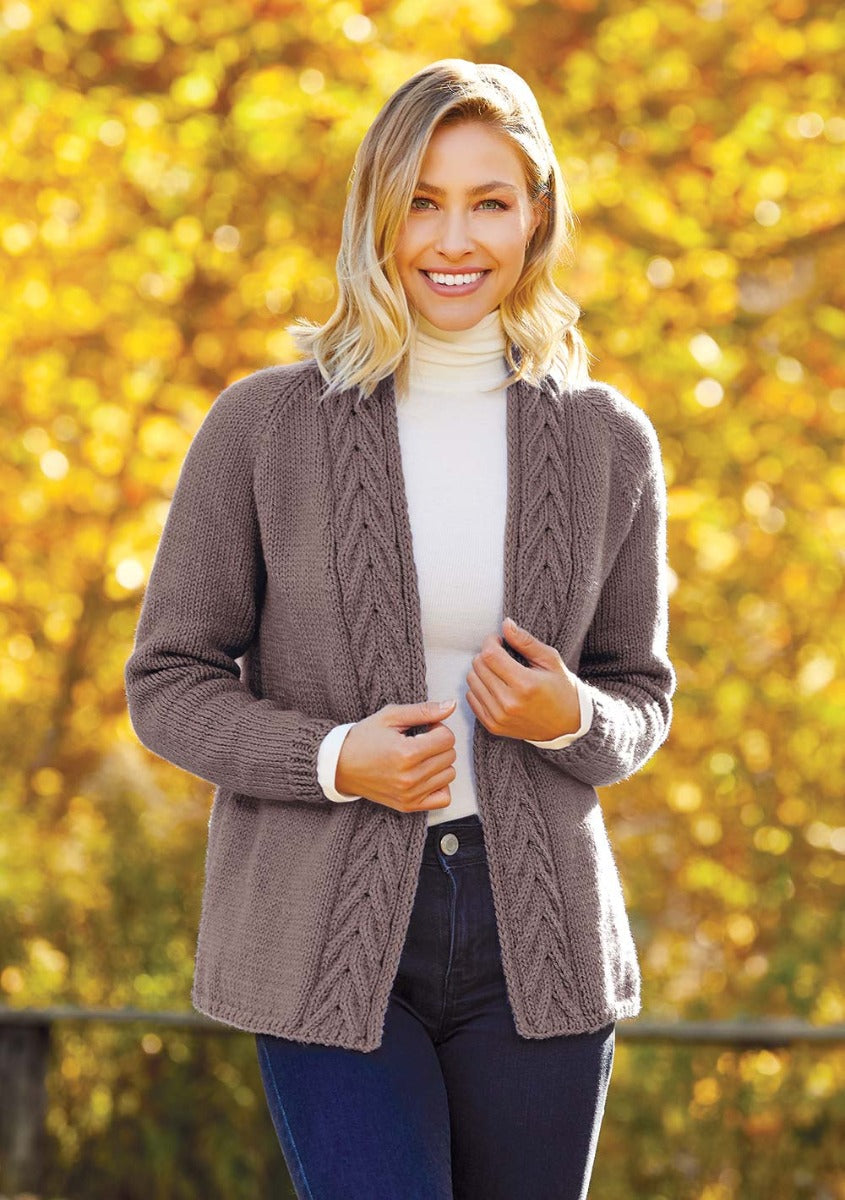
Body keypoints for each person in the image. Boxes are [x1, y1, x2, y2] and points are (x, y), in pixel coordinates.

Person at [124, 58, 675, 1200]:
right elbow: (168, 680)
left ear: (536, 215)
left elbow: (639, 692)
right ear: (375, 212)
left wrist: (570, 716)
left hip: (539, 942)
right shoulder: (263, 427)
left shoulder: (608, 441)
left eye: (488, 201)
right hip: (320, 926)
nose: (452, 239)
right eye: (420, 201)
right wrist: (335, 759)